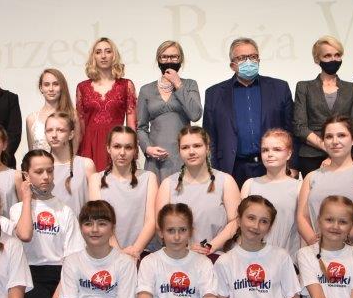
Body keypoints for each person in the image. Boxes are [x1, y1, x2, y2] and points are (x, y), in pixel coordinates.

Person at [10, 149, 84, 298]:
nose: (46, 176)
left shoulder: (65, 211)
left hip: (60, 274)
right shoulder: (17, 209)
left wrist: (60, 293)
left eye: (49, 171)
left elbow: (73, 256)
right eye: (39, 172)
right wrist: (27, 199)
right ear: (26, 175)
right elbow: (25, 234)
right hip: (30, 274)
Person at [202, 37, 293, 187]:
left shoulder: (279, 88)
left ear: (259, 60)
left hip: (273, 166)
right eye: (242, 58)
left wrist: (293, 165)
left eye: (253, 56)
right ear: (232, 65)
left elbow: (290, 131)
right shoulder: (214, 94)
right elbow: (210, 138)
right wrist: (213, 172)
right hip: (232, 169)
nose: (249, 61)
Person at [295, 117, 353, 262]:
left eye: (341, 135)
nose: (335, 141)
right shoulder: (311, 177)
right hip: (319, 253)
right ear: (323, 141)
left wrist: (340, 239)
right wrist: (314, 242)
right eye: (329, 136)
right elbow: (302, 218)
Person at [155, 126, 242, 256]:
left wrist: (210, 247)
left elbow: (235, 221)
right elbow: (160, 226)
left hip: (216, 256)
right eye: (185, 147)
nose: (191, 152)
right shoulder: (167, 184)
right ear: (179, 151)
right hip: (179, 258)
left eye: (197, 146)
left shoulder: (226, 181)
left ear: (207, 148)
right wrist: (185, 248)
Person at [293, 36, 353, 176]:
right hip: (311, 157)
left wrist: (337, 152)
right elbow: (299, 127)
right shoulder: (304, 87)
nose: (333, 59)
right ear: (317, 59)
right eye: (327, 56)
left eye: (337, 55)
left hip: (346, 155)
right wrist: (327, 146)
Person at [87, 126, 157, 258]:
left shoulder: (149, 178)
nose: (122, 152)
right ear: (108, 148)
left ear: (135, 150)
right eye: (117, 146)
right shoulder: (96, 179)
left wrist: (135, 250)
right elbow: (100, 220)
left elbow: (151, 221)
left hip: (141, 254)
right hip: (107, 255)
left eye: (128, 147)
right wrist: (119, 255)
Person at [137, 41, 203, 181]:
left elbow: (195, 114)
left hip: (183, 154)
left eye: (174, 57)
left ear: (180, 59)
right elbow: (141, 127)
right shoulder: (146, 90)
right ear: (158, 60)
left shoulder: (190, 84)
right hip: (156, 157)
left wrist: (178, 84)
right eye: (164, 57)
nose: (169, 61)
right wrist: (147, 148)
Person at [76, 37, 137, 171]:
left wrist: (133, 150)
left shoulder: (126, 85)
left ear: (114, 55)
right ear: (93, 57)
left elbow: (132, 124)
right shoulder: (82, 87)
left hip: (117, 145)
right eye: (98, 52)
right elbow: (80, 127)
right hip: (89, 146)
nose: (103, 56)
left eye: (108, 51)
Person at [239, 129, 302, 256]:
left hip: (287, 258)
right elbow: (240, 226)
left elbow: (303, 227)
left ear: (289, 154)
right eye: (265, 150)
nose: (270, 154)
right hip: (252, 258)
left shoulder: (299, 187)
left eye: (277, 149)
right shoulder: (250, 184)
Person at [25, 68, 77, 153]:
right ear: (41, 88)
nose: (51, 89)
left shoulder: (72, 115)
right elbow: (31, 154)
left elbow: (75, 151)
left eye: (56, 84)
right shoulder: (31, 119)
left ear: (62, 87)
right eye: (46, 85)